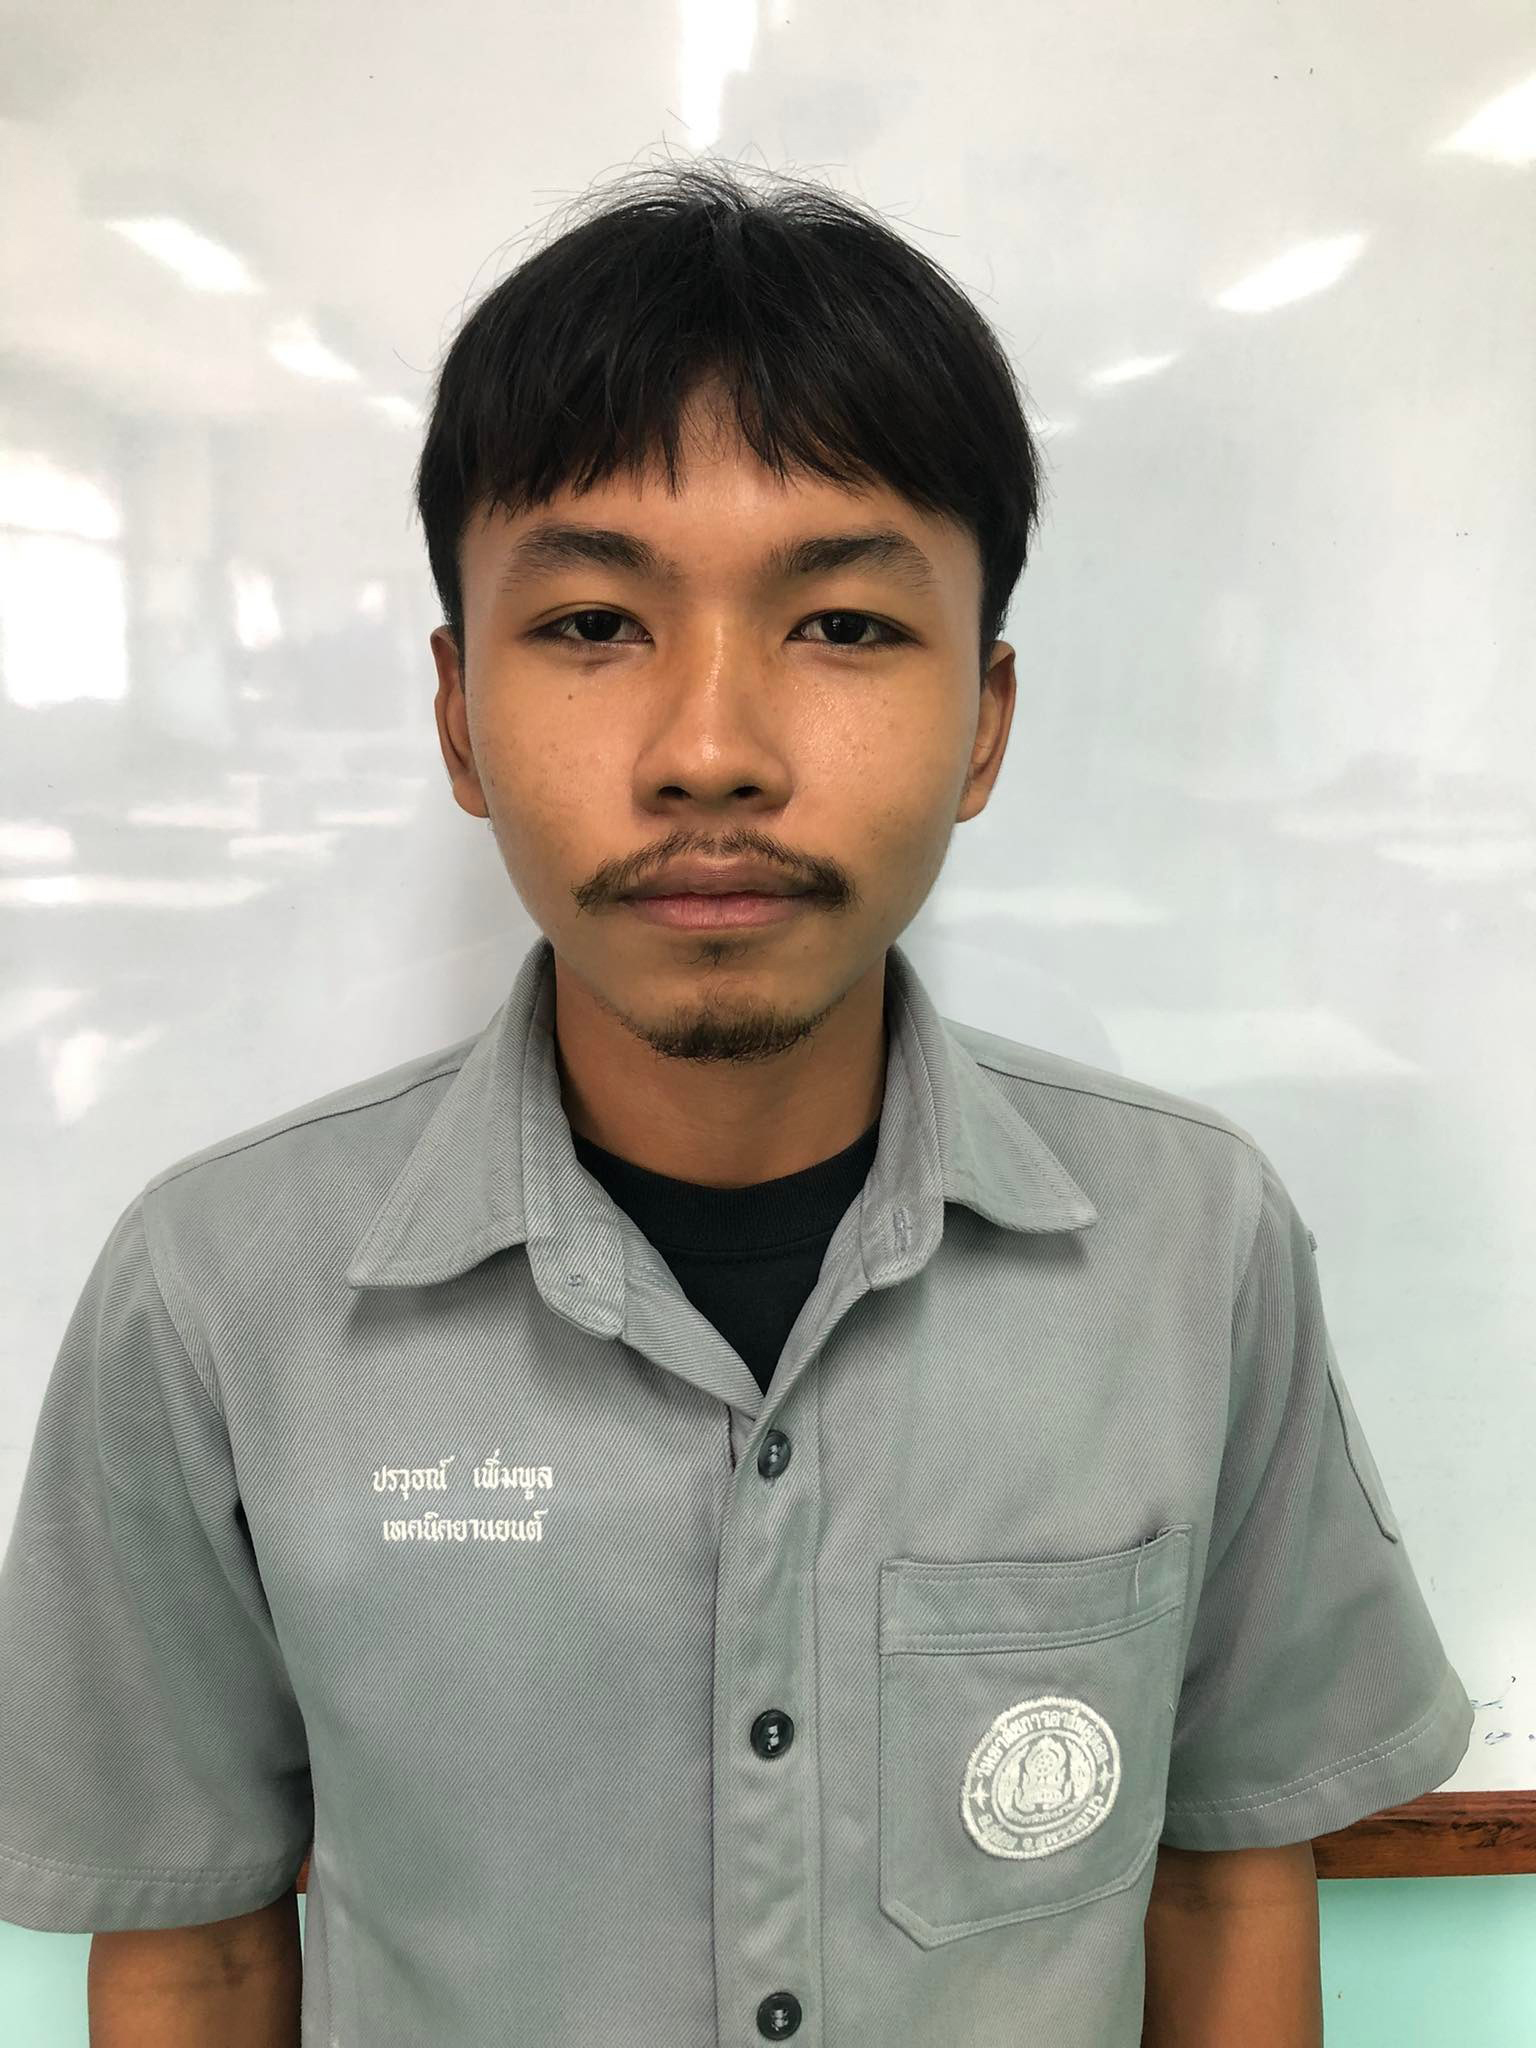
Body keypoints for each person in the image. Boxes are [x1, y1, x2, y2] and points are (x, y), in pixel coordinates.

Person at [0, 158, 1471, 2048]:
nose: (711, 751)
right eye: (591, 625)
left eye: (842, 625)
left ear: (986, 721)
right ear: (455, 715)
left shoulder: (1197, 1254)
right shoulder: (216, 1296)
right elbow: (196, 1948)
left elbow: (1223, 1872)